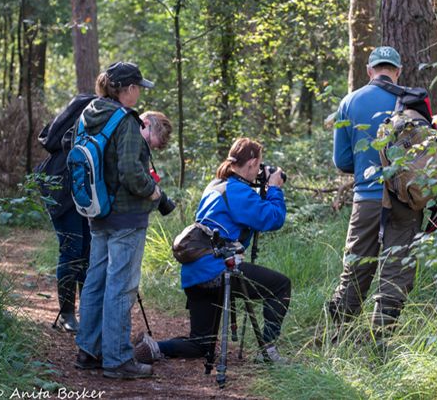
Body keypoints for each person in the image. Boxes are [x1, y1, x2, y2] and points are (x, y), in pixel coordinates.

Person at [134, 137, 290, 364]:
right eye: (259, 165)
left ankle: (153, 347)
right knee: (281, 285)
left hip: (194, 274)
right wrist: (274, 188)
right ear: (252, 163)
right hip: (218, 272)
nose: (259, 171)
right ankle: (267, 351)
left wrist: (263, 188)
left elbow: (246, 210)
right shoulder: (237, 191)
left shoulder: (216, 185)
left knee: (201, 345)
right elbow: (273, 218)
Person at [74, 62, 172, 379]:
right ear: (127, 89)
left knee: (96, 281)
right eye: (138, 87)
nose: (140, 92)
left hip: (96, 210)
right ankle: (117, 359)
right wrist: (153, 191)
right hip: (126, 216)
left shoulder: (89, 113)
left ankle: (89, 351)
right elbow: (132, 173)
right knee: (121, 287)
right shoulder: (125, 122)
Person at [328, 46, 423, 334]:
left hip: (366, 199)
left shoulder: (349, 102)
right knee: (396, 271)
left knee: (355, 268)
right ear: (397, 71)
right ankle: (381, 342)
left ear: (369, 70)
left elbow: (341, 161)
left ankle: (338, 337)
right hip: (405, 199)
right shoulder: (411, 99)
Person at [35, 94, 95, 332]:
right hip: (63, 188)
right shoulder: (93, 109)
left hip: (82, 189)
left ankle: (86, 312)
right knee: (72, 250)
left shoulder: (98, 109)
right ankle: (67, 314)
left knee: (87, 252)